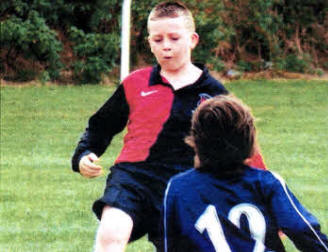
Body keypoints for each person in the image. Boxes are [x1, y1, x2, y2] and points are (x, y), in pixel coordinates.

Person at [71, 2, 266, 251]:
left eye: (174, 38)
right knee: (111, 233)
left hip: (184, 187)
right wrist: (85, 153)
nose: (166, 46)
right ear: (150, 43)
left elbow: (243, 147)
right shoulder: (135, 83)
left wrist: (267, 199)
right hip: (133, 178)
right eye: (158, 39)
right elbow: (101, 125)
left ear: (193, 39)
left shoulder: (215, 95)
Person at [163, 94, 328, 252]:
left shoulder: (178, 187)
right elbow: (302, 230)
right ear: (248, 139)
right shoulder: (266, 183)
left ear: (196, 141)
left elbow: (171, 245)